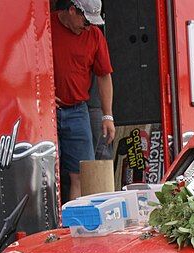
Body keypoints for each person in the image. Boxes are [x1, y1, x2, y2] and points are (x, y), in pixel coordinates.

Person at [51, 0, 115, 202]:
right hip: (45, 113)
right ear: (71, 10)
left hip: (78, 110)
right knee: (46, 177)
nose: (88, 27)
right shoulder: (45, 26)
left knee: (81, 174)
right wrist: (41, 94)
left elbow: (104, 75)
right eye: (86, 21)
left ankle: (74, 227)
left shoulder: (94, 35)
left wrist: (108, 115)